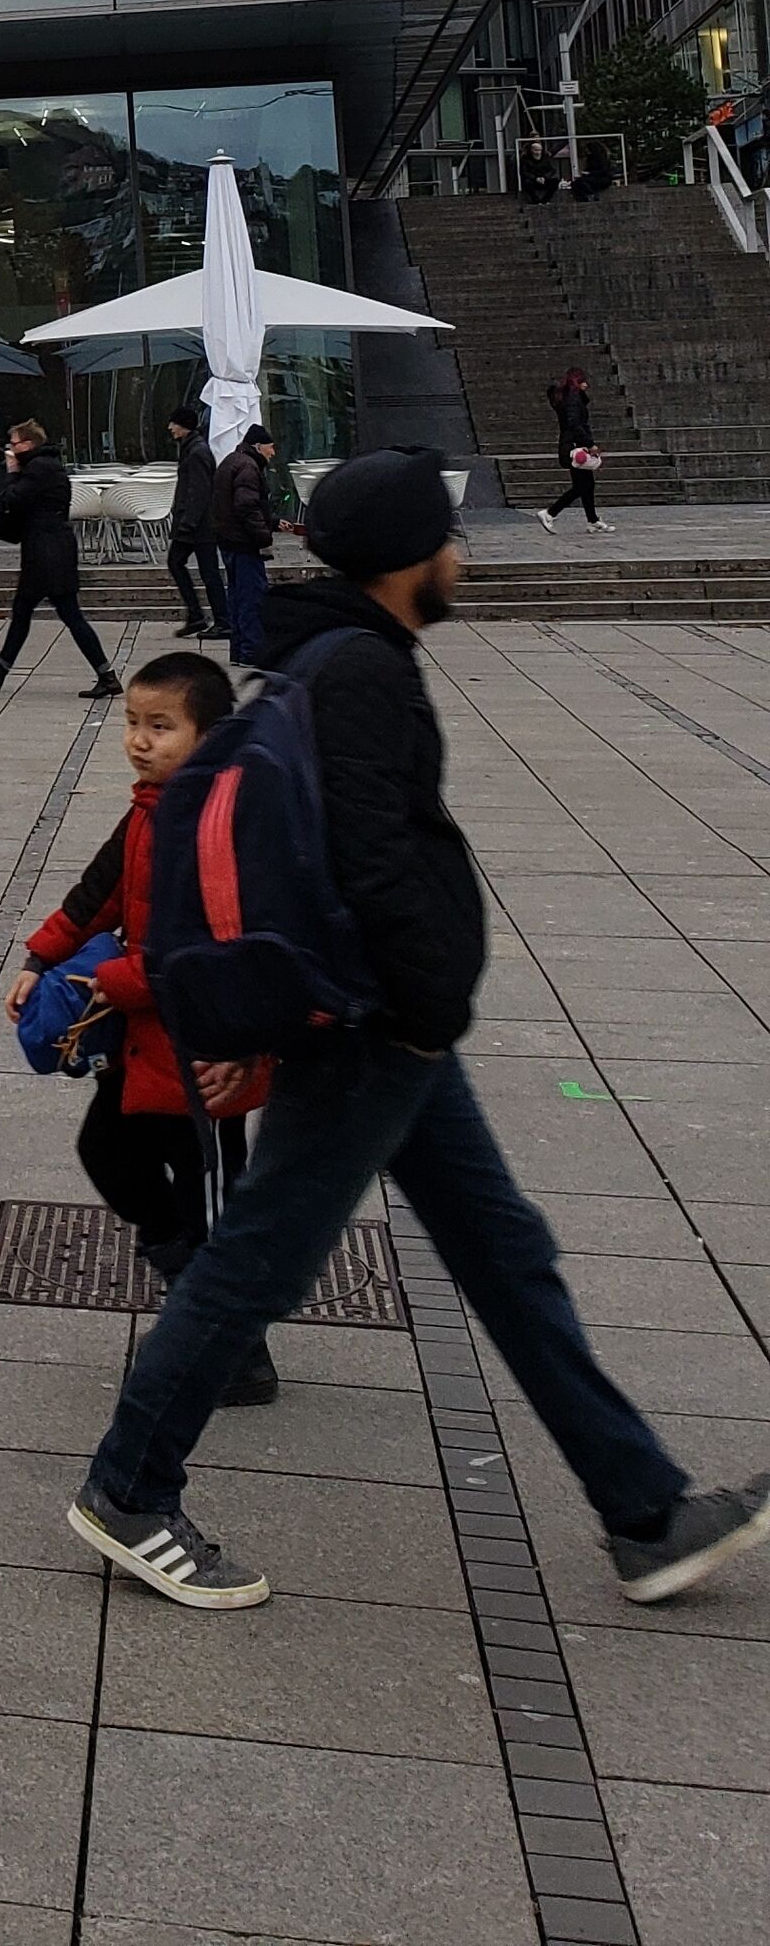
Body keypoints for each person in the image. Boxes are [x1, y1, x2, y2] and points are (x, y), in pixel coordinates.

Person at [67, 445, 770, 1614]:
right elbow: (371, 862)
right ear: (405, 558)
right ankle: (129, 1490)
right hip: (374, 1023)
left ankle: (643, 1508)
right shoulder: (358, 674)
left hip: (381, 1019)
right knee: (257, 1263)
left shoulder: (332, 659)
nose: (460, 554)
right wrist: (421, 1006)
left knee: (504, 1251)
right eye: (446, 538)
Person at [9, 652, 273, 1405]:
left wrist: (116, 981)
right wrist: (41, 956)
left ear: (210, 735)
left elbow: (213, 945)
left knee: (208, 1196)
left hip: (204, 1053)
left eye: (161, 726)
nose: (139, 740)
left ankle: (240, 1352)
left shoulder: (217, 820)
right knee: (106, 1150)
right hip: (141, 1044)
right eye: (132, 722)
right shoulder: (149, 809)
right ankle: (192, 1294)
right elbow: (99, 893)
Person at [0, 422, 116, 698]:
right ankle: (0, 669)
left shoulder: (39, 469)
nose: (9, 449)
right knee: (23, 612)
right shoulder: (46, 466)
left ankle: (107, 675)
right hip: (48, 550)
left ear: (27, 445)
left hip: (48, 554)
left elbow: (14, 499)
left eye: (13, 444)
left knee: (70, 616)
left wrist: (13, 471)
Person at [212, 422, 277, 665]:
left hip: (229, 542)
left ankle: (239, 652)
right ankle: (251, 653)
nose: (273, 453)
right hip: (244, 544)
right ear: (259, 447)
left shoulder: (232, 461)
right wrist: (263, 535)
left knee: (237, 599)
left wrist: (273, 522)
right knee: (252, 599)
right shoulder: (249, 468)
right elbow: (246, 506)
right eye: (271, 448)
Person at [162, 407, 224, 643]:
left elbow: (198, 491)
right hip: (195, 523)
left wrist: (188, 522)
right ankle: (199, 615)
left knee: (207, 572)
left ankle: (219, 619)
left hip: (198, 525)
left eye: (174, 423)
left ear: (184, 425)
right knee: (183, 564)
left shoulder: (197, 452)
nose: (170, 428)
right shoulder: (192, 449)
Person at [538, 367, 611, 534]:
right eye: (583, 381)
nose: (586, 385)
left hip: (573, 446)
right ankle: (550, 513)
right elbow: (575, 425)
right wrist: (590, 444)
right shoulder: (573, 399)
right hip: (575, 447)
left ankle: (592, 520)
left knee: (587, 484)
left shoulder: (570, 398)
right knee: (581, 486)